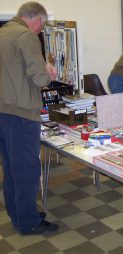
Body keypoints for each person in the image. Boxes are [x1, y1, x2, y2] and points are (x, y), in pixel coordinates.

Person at [0, 2, 58, 235]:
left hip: (2, 112)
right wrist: (49, 71)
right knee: (27, 171)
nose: (40, 31)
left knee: (12, 168)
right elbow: (39, 79)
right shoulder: (26, 36)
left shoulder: (2, 32)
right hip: (22, 114)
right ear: (37, 20)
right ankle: (28, 222)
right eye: (41, 27)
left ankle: (19, 213)